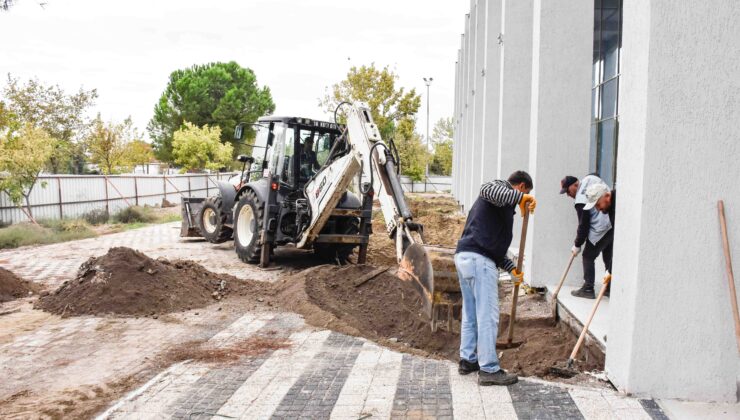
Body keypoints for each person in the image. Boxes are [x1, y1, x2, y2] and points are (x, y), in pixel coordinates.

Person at [454, 170, 537, 386]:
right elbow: (487, 189)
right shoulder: (498, 189)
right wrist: (521, 198)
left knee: (471, 312)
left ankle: (468, 360)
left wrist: (512, 269)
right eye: (524, 193)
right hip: (478, 261)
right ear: (520, 186)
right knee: (487, 315)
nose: (522, 203)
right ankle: (489, 369)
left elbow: (495, 249)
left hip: (466, 257)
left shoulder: (500, 209)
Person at [570, 181, 616, 299]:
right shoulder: (609, 208)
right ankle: (610, 287)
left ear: (607, 196)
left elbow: (583, 226)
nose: (598, 209)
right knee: (608, 255)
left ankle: (588, 288)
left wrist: (610, 270)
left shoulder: (617, 208)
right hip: (607, 230)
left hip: (600, 230)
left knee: (588, 256)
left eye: (598, 204)